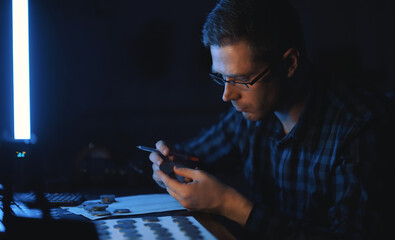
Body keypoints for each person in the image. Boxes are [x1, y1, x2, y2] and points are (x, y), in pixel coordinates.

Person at [148, 0, 393, 239]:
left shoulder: (362, 125)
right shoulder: (248, 115)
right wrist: (170, 164)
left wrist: (230, 205)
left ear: (289, 63)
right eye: (222, 78)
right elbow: (193, 156)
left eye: (242, 79)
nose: (227, 95)